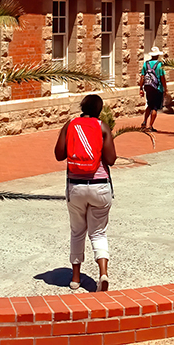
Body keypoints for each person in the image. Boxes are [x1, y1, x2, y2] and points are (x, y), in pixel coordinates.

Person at [53, 93, 116, 292]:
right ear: (99, 110)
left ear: (82, 107)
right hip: (100, 186)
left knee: (77, 232)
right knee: (98, 232)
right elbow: (111, 159)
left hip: (76, 186)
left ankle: (75, 278)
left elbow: (58, 154)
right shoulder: (102, 127)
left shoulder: (70, 125)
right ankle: (103, 273)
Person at [139, 46, 167, 131]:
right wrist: (165, 88)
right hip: (157, 88)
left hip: (148, 88)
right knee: (155, 107)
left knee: (149, 105)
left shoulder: (146, 64)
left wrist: (141, 88)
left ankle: (144, 121)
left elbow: (142, 77)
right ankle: (150, 126)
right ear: (158, 55)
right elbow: (163, 78)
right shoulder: (160, 65)